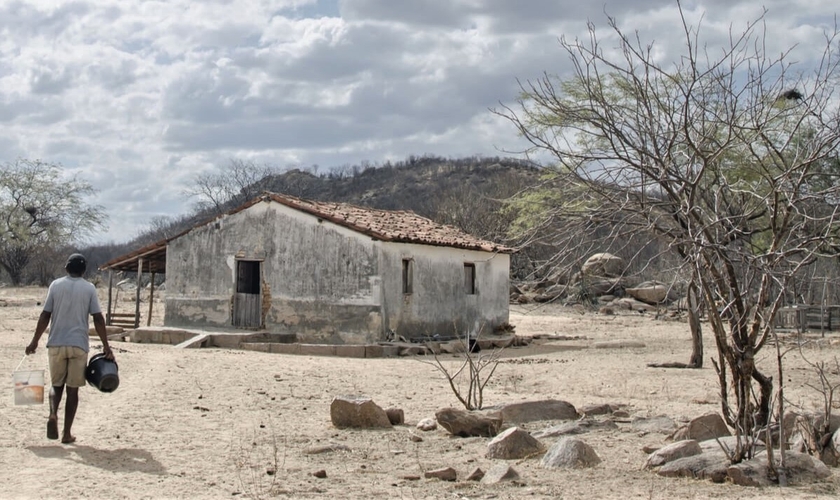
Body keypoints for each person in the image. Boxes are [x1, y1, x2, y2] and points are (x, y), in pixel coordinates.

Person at [25, 253, 114, 444]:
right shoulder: (89, 288)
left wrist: (34, 342)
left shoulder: (55, 286)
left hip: (56, 343)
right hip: (78, 345)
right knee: (73, 391)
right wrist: (106, 346)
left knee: (56, 385)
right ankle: (66, 433)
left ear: (66, 268)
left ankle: (52, 414)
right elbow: (98, 318)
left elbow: (45, 315)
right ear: (83, 271)